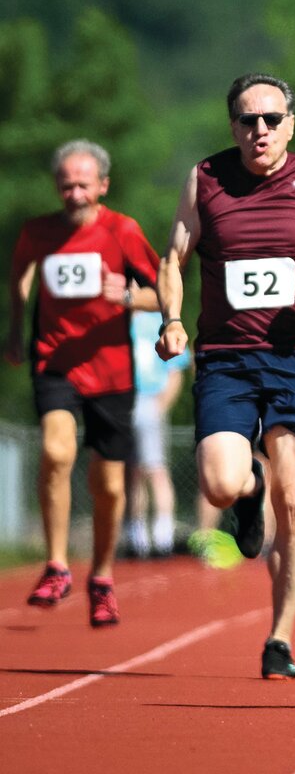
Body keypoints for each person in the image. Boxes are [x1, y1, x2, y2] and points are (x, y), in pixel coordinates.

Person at [157, 72, 295, 679]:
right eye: (249, 120)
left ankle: (280, 635)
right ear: (233, 126)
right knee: (220, 484)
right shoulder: (206, 179)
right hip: (226, 355)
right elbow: (173, 258)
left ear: (290, 125)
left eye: (272, 119)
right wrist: (172, 318)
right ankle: (246, 491)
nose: (260, 131)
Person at [7, 140, 161, 626]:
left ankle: (102, 575)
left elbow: (166, 292)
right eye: (66, 184)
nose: (74, 193)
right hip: (54, 362)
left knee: (109, 484)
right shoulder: (38, 232)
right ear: (57, 186)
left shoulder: (123, 231)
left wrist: (132, 297)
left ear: (102, 187)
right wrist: (15, 329)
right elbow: (18, 279)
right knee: (56, 452)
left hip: (111, 370)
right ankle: (56, 564)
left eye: (83, 184)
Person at [125, 310, 190, 558]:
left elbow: (176, 370)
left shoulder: (158, 323)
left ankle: (163, 536)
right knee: (134, 471)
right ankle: (137, 536)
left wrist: (159, 407)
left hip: (149, 399)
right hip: (124, 401)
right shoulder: (118, 321)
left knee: (155, 469)